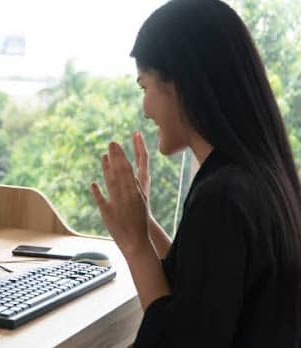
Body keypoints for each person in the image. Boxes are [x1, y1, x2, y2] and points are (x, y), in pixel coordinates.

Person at [90, 1, 301, 346]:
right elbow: (204, 287)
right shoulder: (257, 179)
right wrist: (144, 225)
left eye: (145, 87)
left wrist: (136, 245)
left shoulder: (222, 198)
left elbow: (177, 338)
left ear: (182, 84)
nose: (145, 110)